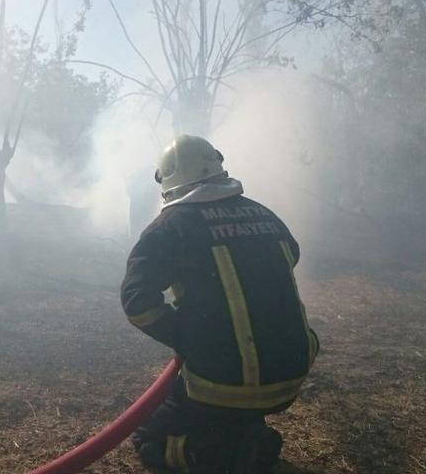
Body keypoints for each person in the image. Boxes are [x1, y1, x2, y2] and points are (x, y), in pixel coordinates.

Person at [121, 135, 319, 473]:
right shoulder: (264, 214)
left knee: (149, 438)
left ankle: (226, 457)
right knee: (226, 414)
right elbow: (291, 256)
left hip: (225, 381)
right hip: (293, 370)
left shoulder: (169, 228)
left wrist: (191, 338)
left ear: (167, 180)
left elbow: (137, 302)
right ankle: (243, 434)